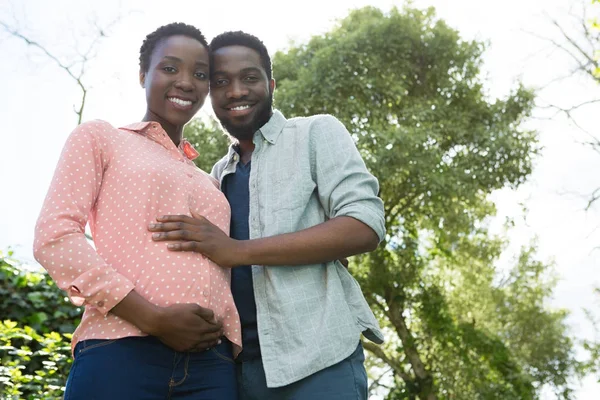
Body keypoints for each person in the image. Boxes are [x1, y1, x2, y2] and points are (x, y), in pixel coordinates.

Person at [149, 31, 386, 400]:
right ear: (210, 95)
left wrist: (237, 251)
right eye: (221, 82)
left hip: (318, 360)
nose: (236, 91)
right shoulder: (215, 176)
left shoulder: (314, 134)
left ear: (270, 84)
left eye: (249, 78)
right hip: (238, 370)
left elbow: (364, 225)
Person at [33, 23, 241, 400]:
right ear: (143, 74)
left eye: (199, 74)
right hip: (120, 349)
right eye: (169, 68)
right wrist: (153, 318)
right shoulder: (102, 138)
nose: (185, 82)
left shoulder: (211, 182)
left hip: (214, 365)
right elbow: (55, 237)